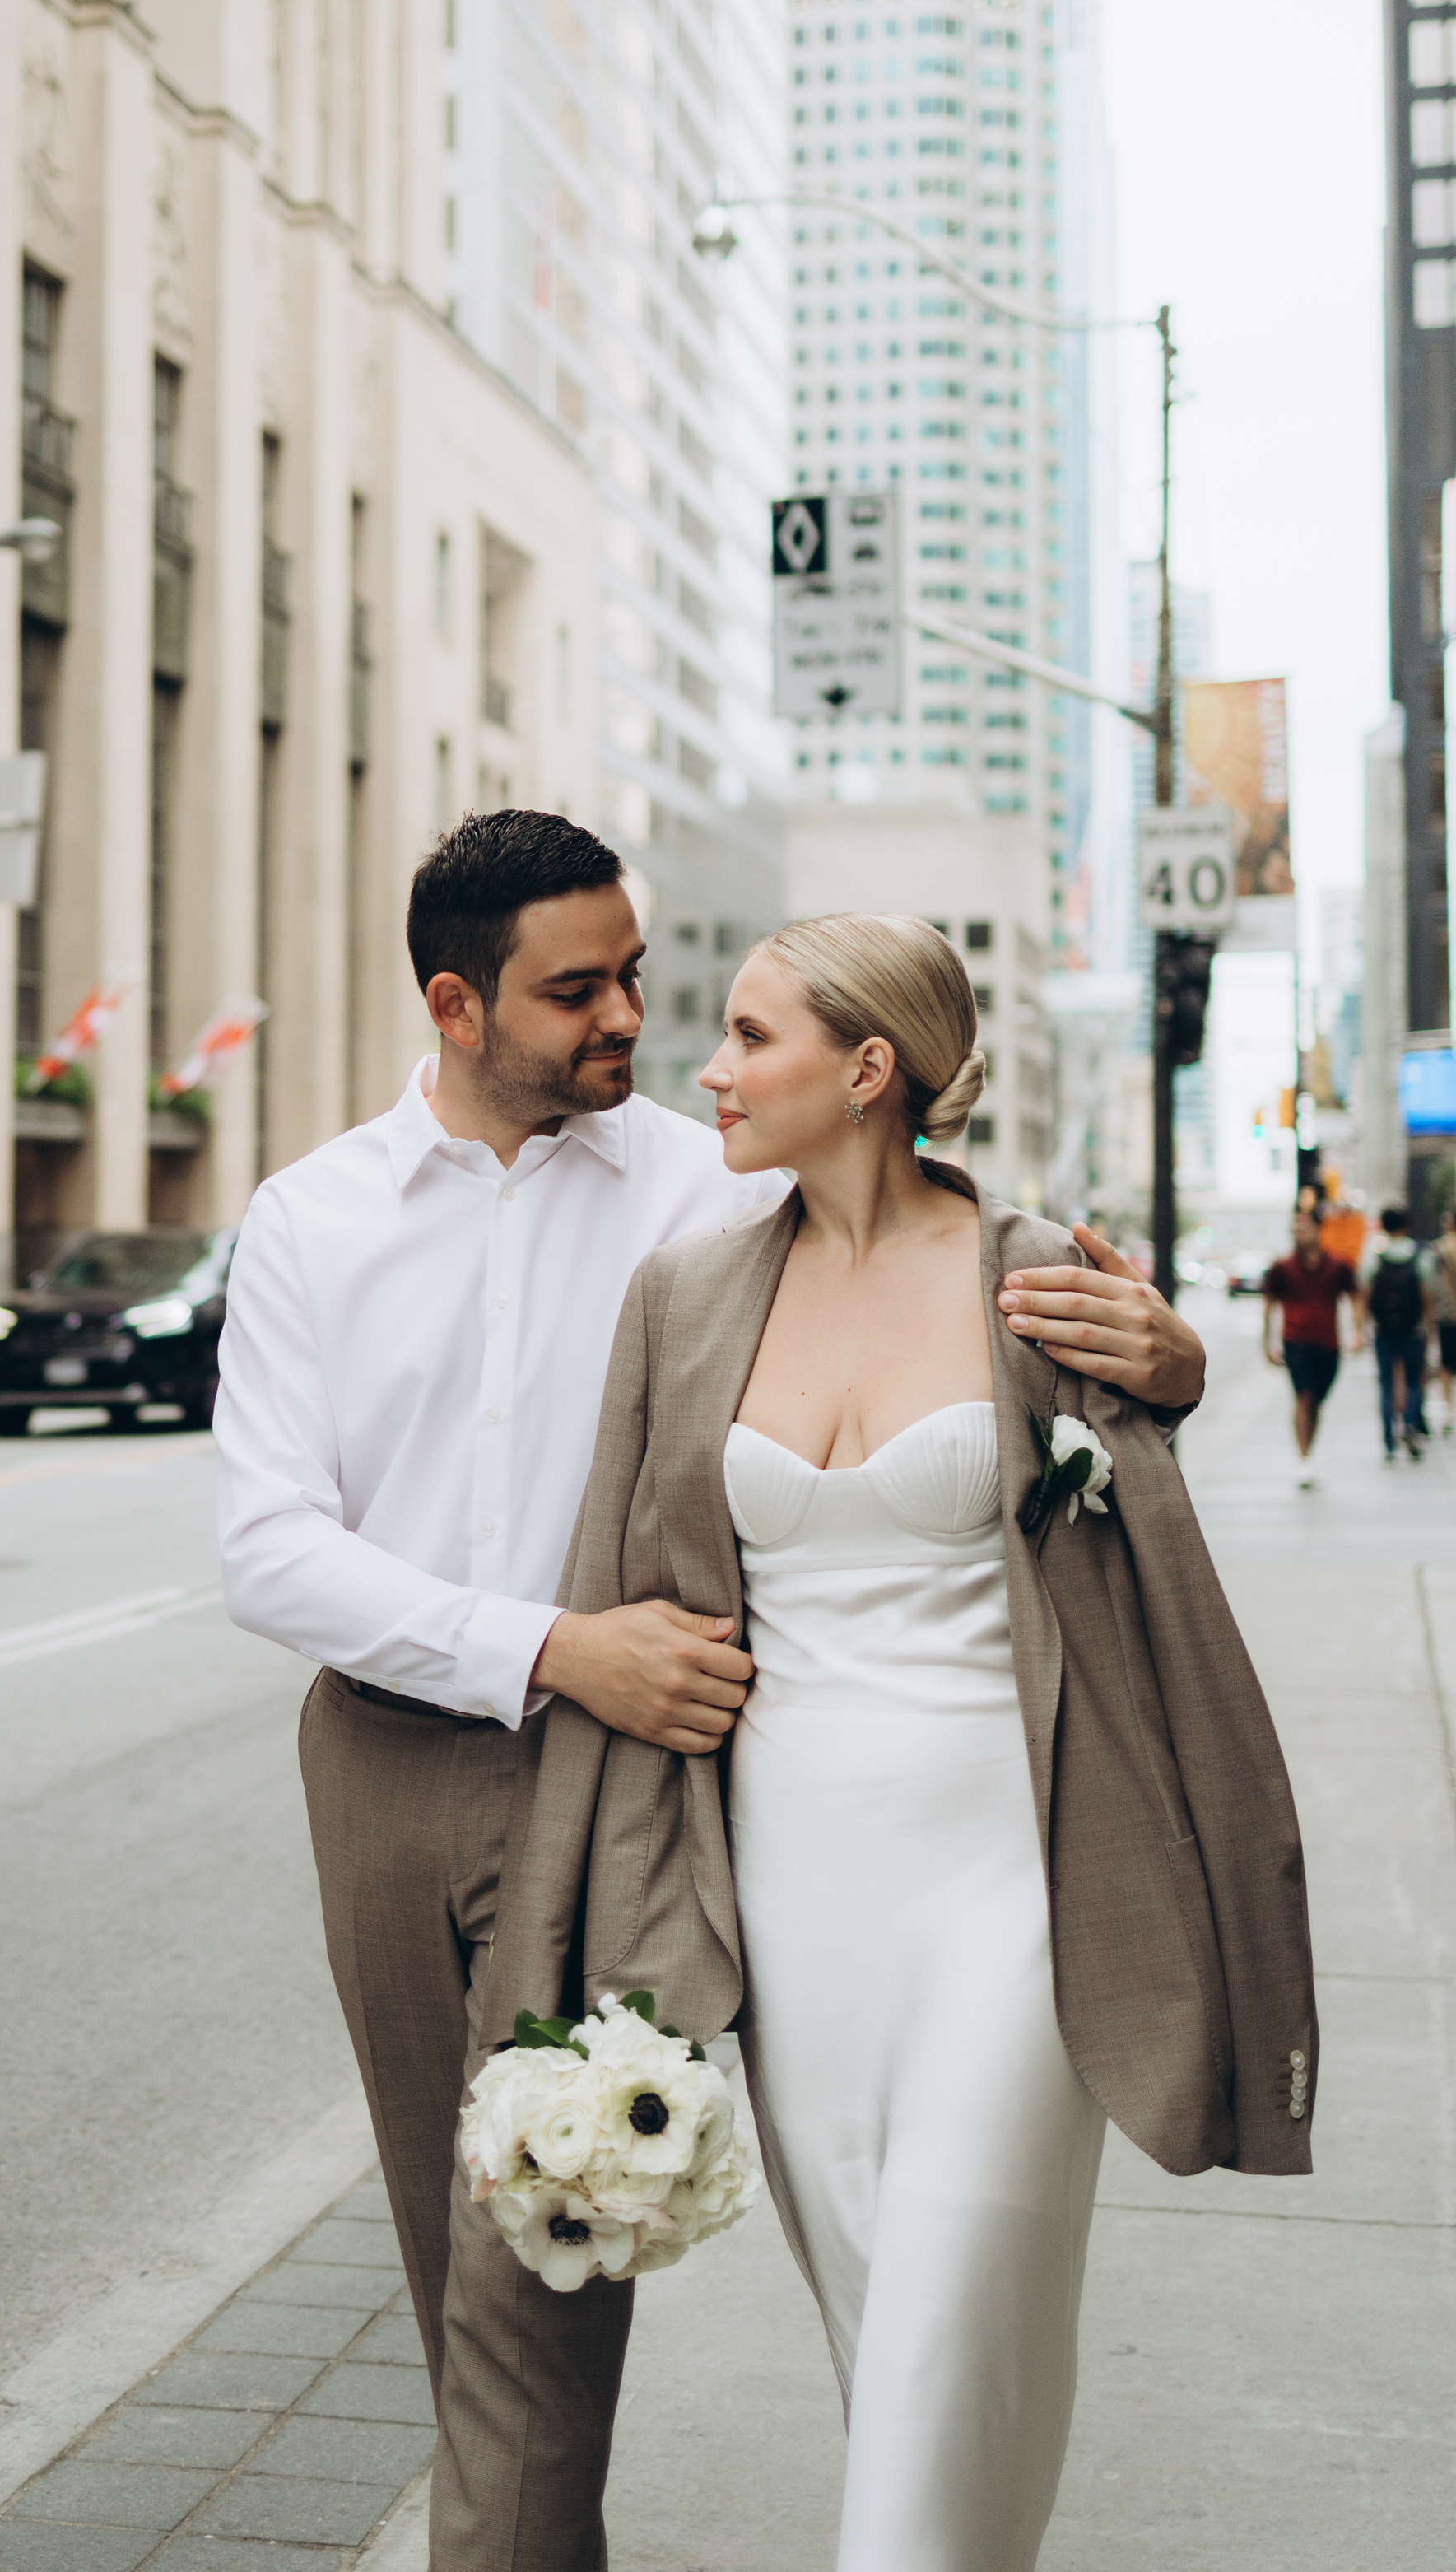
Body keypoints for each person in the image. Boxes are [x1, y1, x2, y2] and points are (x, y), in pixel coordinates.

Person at [214, 818, 1209, 2572]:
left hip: (626, 1780)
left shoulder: (712, 1182)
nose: (630, 1020)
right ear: (456, 1005)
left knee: (540, 2273)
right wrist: (539, 1641)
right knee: (457, 2267)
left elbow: (941, 1242)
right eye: (576, 988)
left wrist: (1172, 1356)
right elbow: (269, 1551)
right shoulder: (310, 1221)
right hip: (383, 1776)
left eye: (640, 977)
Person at [482, 911, 1312, 2572]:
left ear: (867, 1071)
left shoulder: (1032, 1273)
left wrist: (1182, 1363)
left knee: (946, 2313)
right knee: (902, 2344)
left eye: (746, 1036)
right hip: (791, 1900)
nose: (705, 1067)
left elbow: (1141, 1486)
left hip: (1015, 1884)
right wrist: (574, 1953)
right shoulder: (685, 1294)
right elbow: (612, 1584)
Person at [1262, 1199, 1361, 1487]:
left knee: (1317, 1400)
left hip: (1328, 1343)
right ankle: (1304, 1458)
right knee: (1304, 1396)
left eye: (1304, 1228)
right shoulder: (1282, 1267)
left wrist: (1357, 1332)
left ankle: (1308, 1453)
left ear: (1319, 1229)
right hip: (1296, 1340)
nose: (1298, 1234)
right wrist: (1267, 1345)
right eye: (1294, 1229)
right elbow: (1268, 1306)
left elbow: (1356, 1296)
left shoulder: (1337, 1265)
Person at [1365, 1203, 1432, 1461]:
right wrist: (1430, 1325)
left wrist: (1361, 1327)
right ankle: (1411, 1425)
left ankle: (1388, 1440)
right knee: (1414, 1381)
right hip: (1413, 1329)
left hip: (1384, 1329)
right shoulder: (1420, 1255)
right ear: (1407, 1225)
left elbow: (1365, 1292)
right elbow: (1427, 1295)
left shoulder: (1374, 1256)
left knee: (1385, 1383)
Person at [1432, 1205, 1456, 1435]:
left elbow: (1437, 1281)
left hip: (1448, 1313)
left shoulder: (1440, 1248)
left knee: (1447, 1364)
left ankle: (1448, 1410)